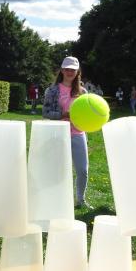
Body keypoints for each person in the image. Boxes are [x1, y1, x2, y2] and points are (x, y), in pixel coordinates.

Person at [42, 56, 92, 208]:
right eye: (67, 69)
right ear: (62, 70)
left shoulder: (83, 92)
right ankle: (56, 198)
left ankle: (80, 200)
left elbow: (88, 114)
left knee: (83, 170)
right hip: (58, 134)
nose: (70, 72)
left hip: (78, 134)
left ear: (77, 72)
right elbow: (45, 112)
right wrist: (62, 115)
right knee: (58, 169)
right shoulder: (52, 90)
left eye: (73, 69)